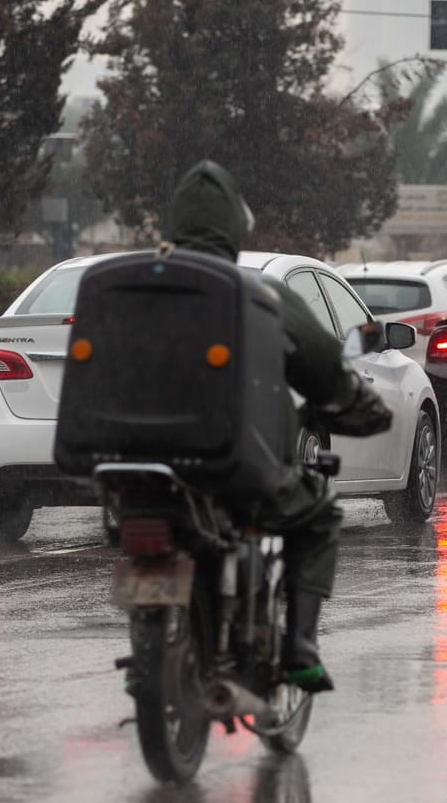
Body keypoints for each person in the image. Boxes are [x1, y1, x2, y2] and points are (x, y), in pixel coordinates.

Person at [166, 160, 391, 691]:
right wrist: (363, 409)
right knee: (316, 519)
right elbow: (324, 367)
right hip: (228, 461)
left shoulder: (131, 288)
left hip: (134, 461)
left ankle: (156, 647)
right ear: (235, 228)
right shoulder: (258, 293)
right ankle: (300, 648)